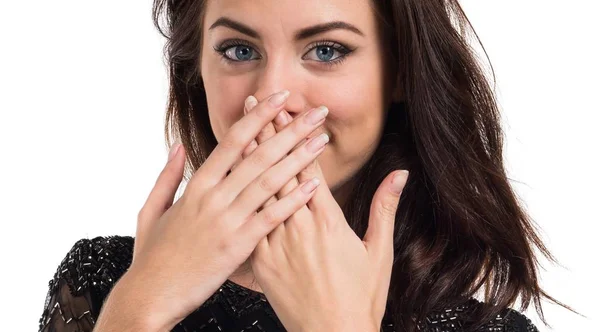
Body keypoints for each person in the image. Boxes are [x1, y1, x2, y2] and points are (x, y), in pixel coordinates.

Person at [37, 0, 574, 331]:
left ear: (400, 73)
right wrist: (140, 308)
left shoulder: (486, 330)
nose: (273, 96)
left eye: (326, 50)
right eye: (239, 50)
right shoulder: (104, 281)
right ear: (195, 69)